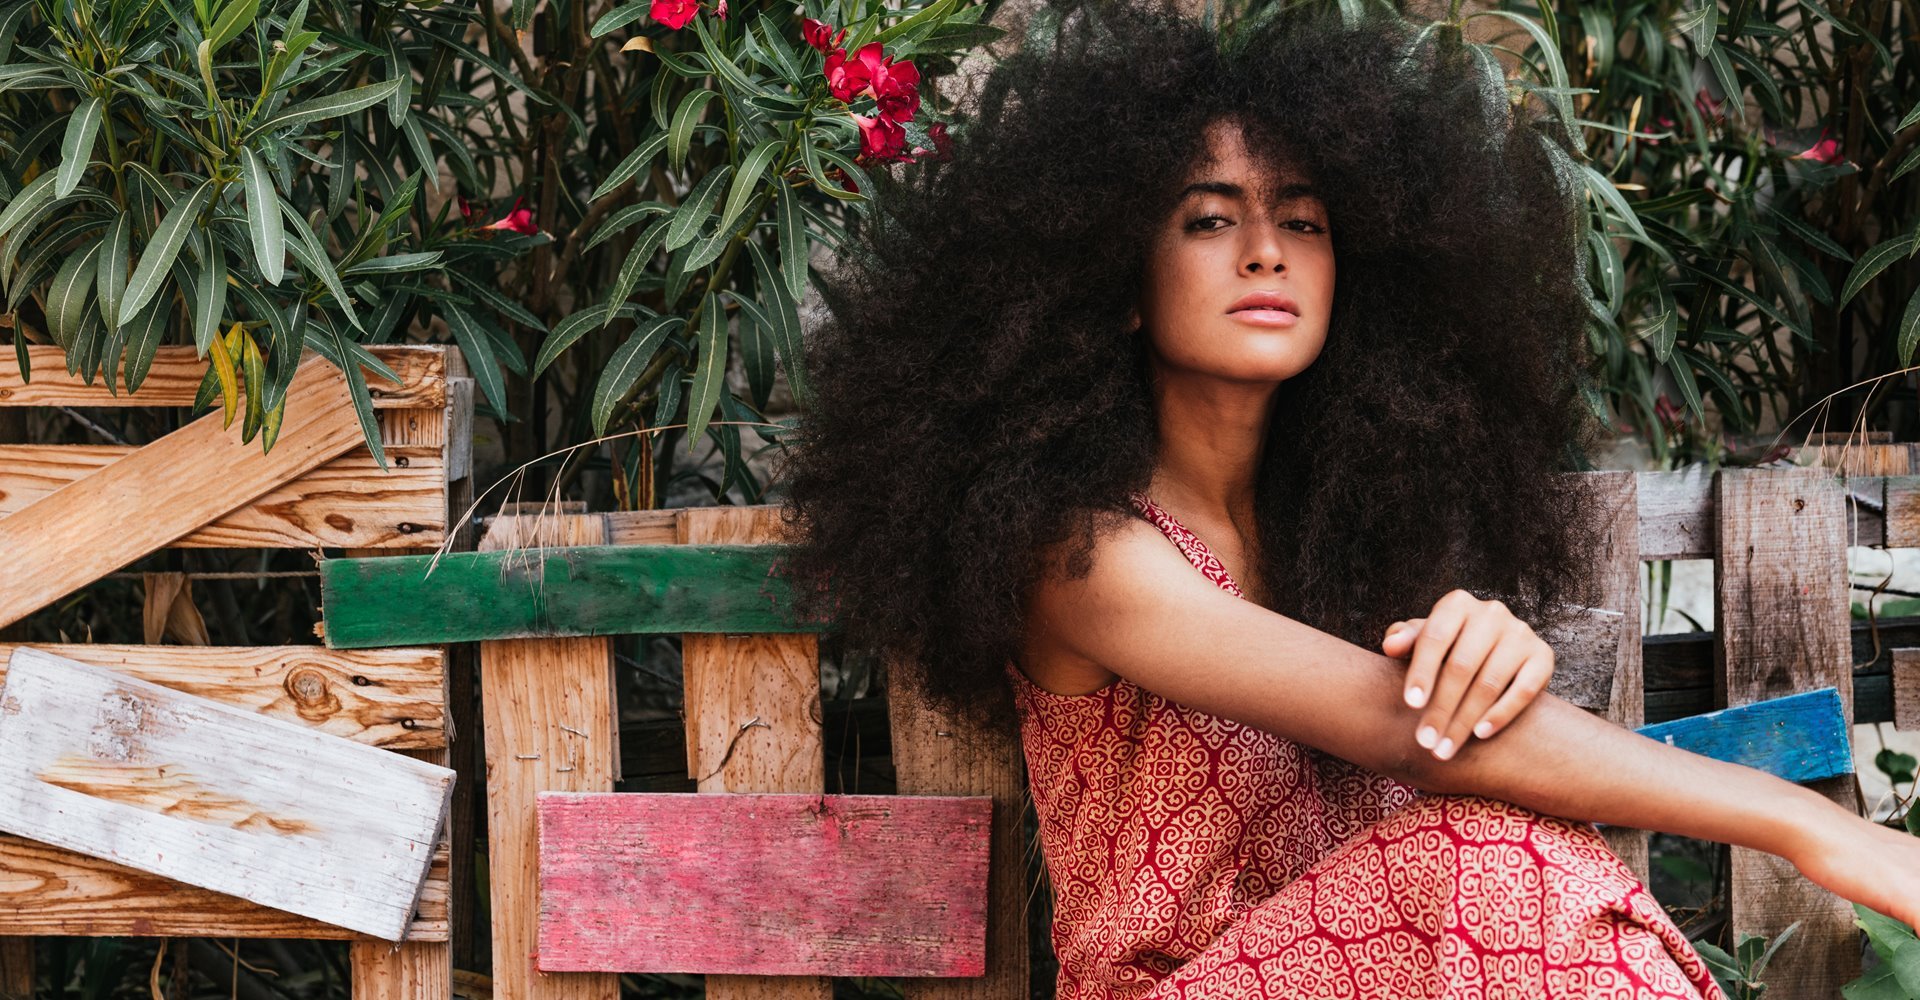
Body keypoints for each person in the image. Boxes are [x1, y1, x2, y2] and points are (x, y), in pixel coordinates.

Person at [773, 1, 1920, 995]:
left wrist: (1488, 650)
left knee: (1499, 862)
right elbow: (1410, 733)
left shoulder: (1354, 540)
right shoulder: (1086, 555)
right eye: (1211, 217)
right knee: (1491, 867)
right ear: (1118, 285)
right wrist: (1813, 827)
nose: (1266, 250)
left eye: (1305, 222)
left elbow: (1447, 724)